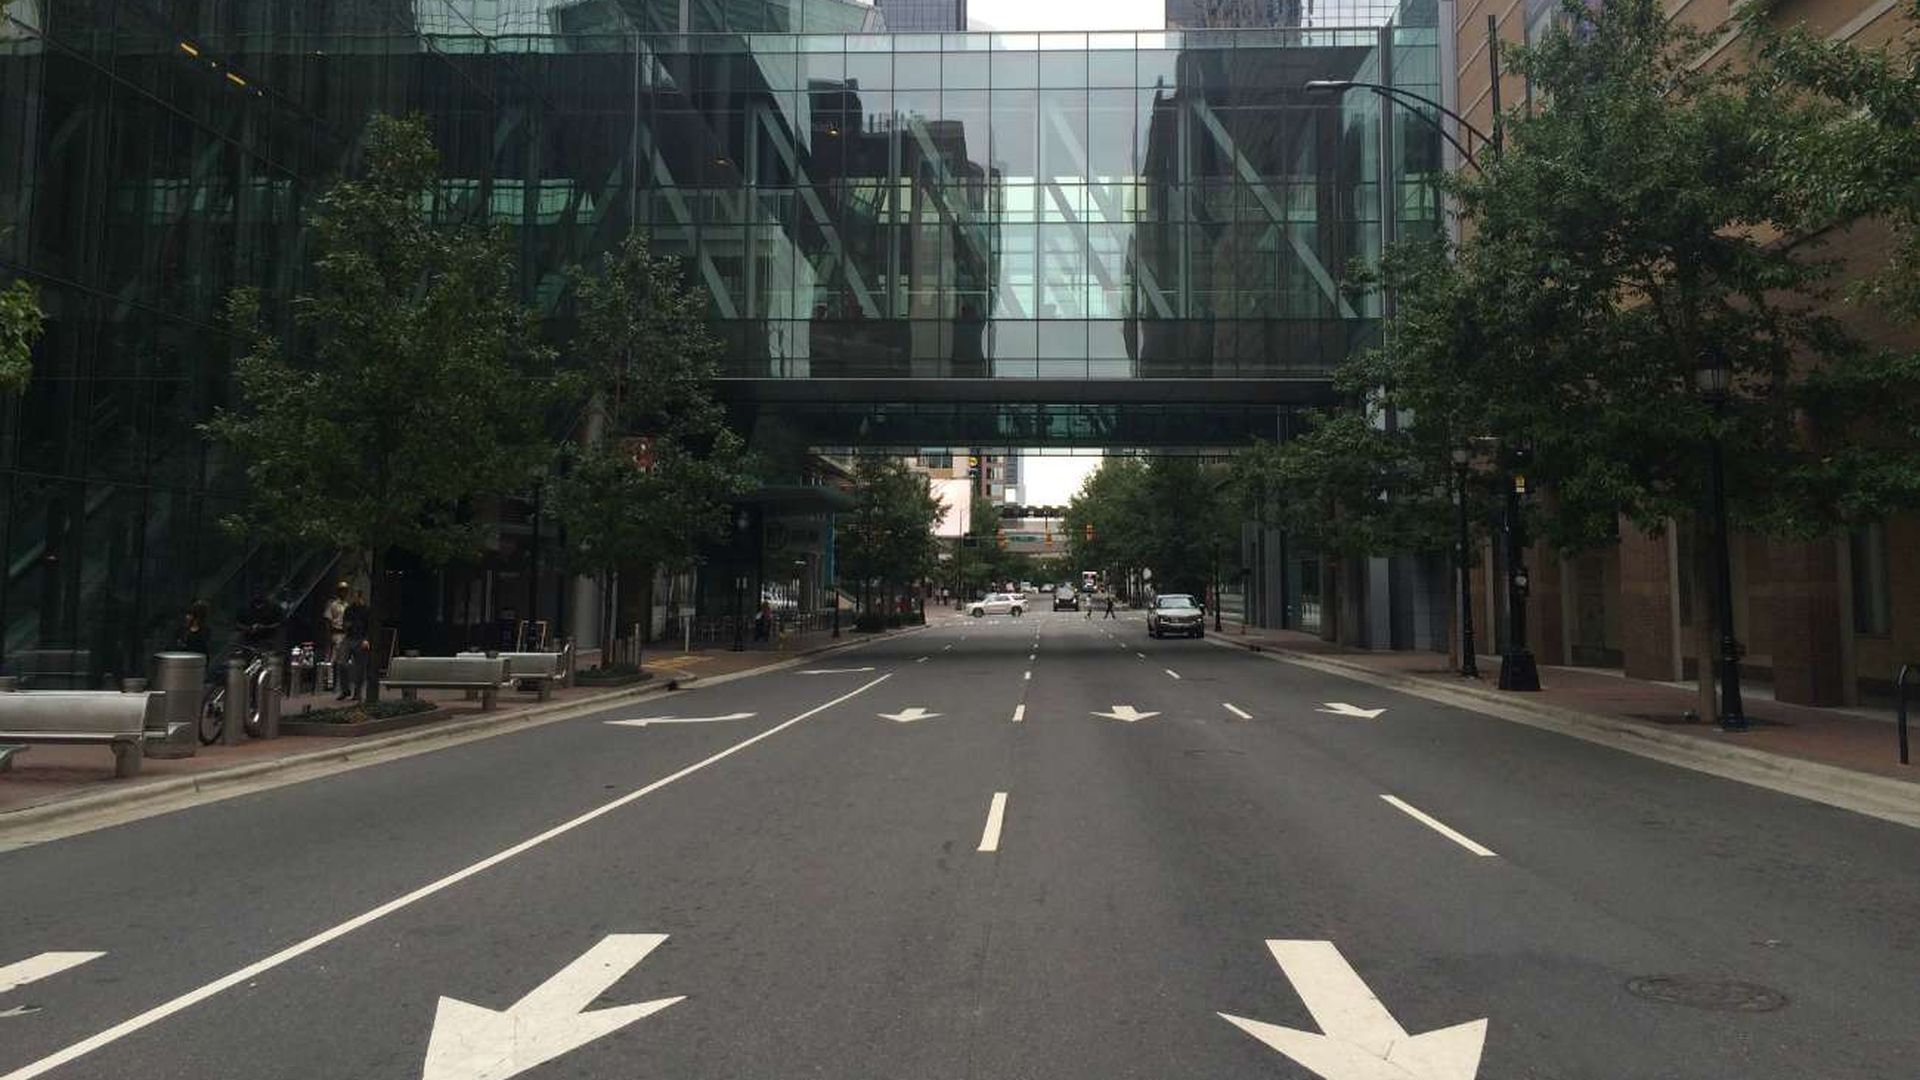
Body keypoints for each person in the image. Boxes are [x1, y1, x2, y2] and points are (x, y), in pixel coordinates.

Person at [339, 591, 370, 701]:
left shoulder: (366, 610)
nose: (354, 599)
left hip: (361, 638)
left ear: (360, 598)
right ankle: (345, 689)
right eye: (352, 597)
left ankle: (357, 692)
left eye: (356, 597)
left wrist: (366, 639)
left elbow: (369, 626)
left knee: (360, 667)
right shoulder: (349, 609)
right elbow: (345, 623)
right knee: (342, 663)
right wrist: (346, 626)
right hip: (349, 637)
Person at [323, 581, 349, 692]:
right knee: (332, 660)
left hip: (345, 634)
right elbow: (328, 620)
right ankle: (329, 682)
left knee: (342, 661)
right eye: (342, 590)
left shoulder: (347, 605)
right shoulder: (332, 604)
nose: (344, 593)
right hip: (335, 633)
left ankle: (339, 683)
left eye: (345, 591)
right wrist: (329, 635)